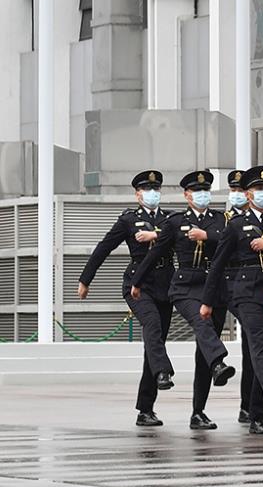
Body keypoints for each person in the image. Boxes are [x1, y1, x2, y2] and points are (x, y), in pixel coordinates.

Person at [137, 170, 236, 430]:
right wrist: (137, 282)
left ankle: (198, 411)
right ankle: (219, 361)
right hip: (184, 287)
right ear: (187, 195)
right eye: (197, 191)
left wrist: (207, 237)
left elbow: (233, 243)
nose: (202, 195)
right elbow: (156, 252)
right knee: (201, 322)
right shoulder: (175, 222)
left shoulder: (220, 221)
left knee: (203, 348)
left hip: (213, 288)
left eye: (206, 191)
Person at [78, 169, 175, 427]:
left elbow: (180, 237)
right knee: (152, 325)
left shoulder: (169, 219)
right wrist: (85, 279)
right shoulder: (129, 220)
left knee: (153, 345)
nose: (153, 194)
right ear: (137, 194)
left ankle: (146, 409)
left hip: (165, 286)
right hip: (137, 285)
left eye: (156, 189)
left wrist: (156, 235)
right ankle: (164, 372)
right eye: (147, 190)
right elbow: (104, 247)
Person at [201, 165, 263, 434]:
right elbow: (217, 265)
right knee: (262, 346)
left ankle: (257, 416)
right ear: (248, 194)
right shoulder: (236, 225)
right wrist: (207, 301)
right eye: (258, 189)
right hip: (246, 292)